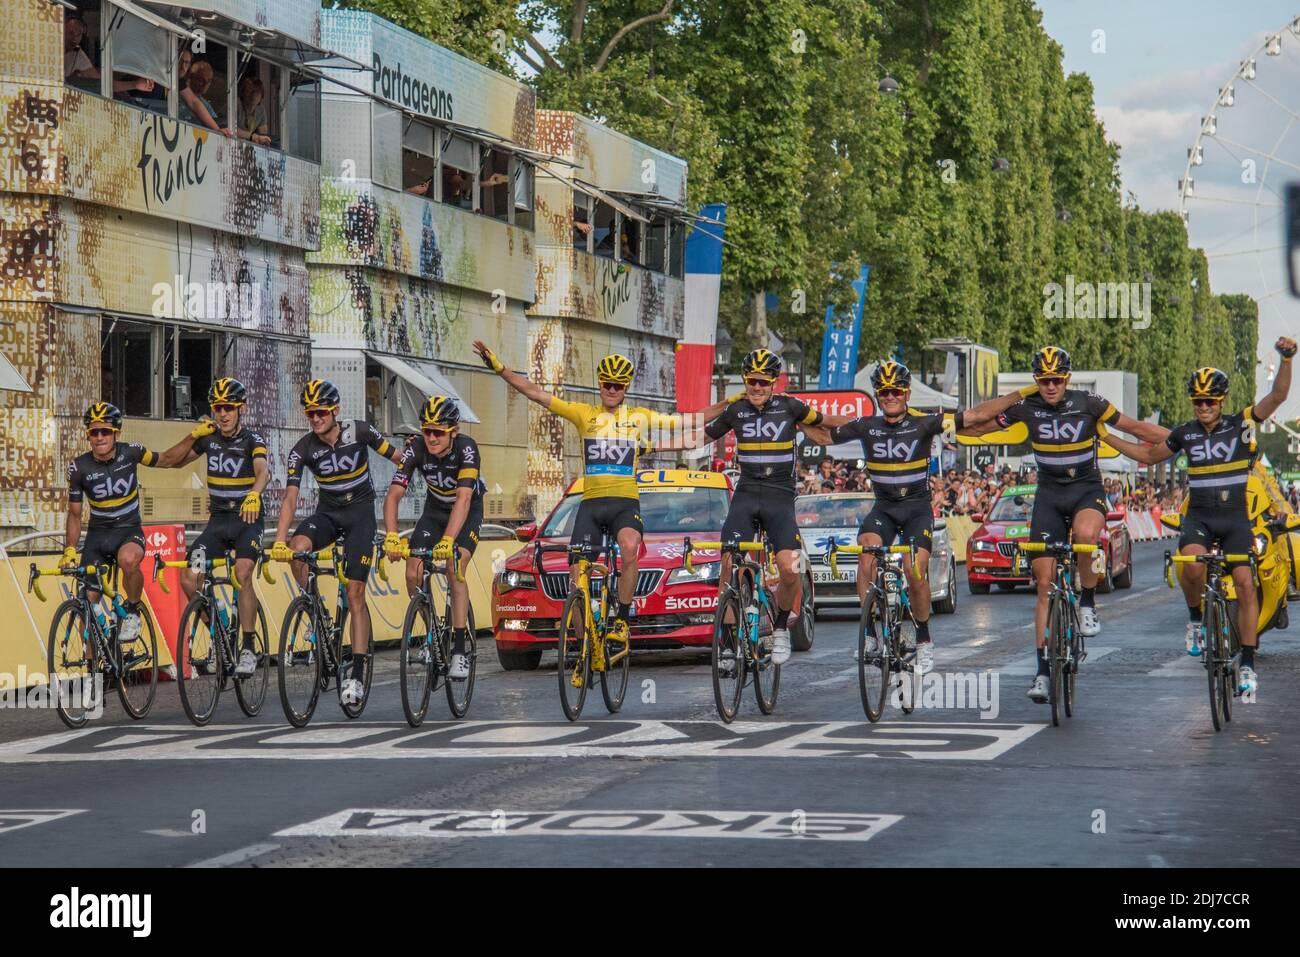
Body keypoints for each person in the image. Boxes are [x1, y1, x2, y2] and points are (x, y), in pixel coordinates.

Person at [473, 341, 733, 655]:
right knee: (575, 575)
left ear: (625, 388)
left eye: (618, 385)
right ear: (600, 385)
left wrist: (729, 401)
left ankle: (622, 620)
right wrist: (499, 368)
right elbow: (535, 393)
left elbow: (691, 419)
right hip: (592, 505)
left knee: (628, 548)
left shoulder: (638, 417)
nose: (611, 389)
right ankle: (584, 646)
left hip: (624, 504)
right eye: (607, 384)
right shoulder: (584, 414)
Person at [962, 346, 1167, 704]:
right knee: (1043, 585)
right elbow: (978, 424)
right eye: (1044, 381)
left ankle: (1087, 602)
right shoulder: (1027, 406)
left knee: (1087, 536)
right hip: (1049, 494)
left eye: (1057, 379)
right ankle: (1042, 672)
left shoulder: (1089, 402)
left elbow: (1136, 427)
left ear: (1067, 379)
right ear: (1036, 381)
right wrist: (1018, 394)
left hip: (1086, 488)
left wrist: (1185, 438)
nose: (1051, 386)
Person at [804, 360, 1031, 672]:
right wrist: (793, 417)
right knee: (866, 555)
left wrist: (1021, 394)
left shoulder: (925, 423)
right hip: (883, 509)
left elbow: (976, 416)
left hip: (916, 510)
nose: (890, 396)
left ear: (907, 393)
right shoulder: (867, 426)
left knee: (914, 571)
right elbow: (823, 437)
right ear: (878, 394)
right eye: (884, 392)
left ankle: (923, 638)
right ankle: (870, 632)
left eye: (896, 390)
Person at [1101, 338, 1296, 697]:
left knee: (1245, 584)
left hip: (1235, 518)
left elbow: (1278, 397)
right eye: (1198, 401)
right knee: (1190, 566)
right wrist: (1108, 439)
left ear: (1220, 402)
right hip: (1201, 517)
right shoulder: (1185, 433)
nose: (1203, 407)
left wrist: (1286, 359)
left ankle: (1249, 664)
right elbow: (1148, 458)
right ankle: (1195, 620)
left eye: (1209, 401)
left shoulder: (1241, 424)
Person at [270, 380, 404, 705]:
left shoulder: (359, 431)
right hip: (328, 513)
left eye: (320, 412)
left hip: (360, 515)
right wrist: (279, 539)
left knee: (355, 593)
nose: (315, 419)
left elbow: (400, 457)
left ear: (335, 411)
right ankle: (314, 610)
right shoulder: (303, 448)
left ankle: (356, 675)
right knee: (296, 551)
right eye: (310, 413)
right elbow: (290, 497)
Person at [701, 349, 828, 665]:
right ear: (745, 382)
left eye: (762, 382)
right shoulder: (736, 410)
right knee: (730, 565)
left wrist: (872, 423)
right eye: (751, 382)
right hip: (746, 495)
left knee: (789, 568)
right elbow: (698, 436)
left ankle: (782, 627)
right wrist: (650, 441)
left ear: (774, 383)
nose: (756, 388)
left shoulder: (790, 407)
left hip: (779, 498)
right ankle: (729, 643)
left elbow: (826, 424)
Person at [155, 378, 269, 677]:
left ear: (240, 408)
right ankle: (218, 632)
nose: (223, 414)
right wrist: (192, 436)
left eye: (229, 408)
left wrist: (255, 494)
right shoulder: (209, 439)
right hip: (218, 523)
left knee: (242, 573)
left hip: (247, 521)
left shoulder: (252, 439)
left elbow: (263, 471)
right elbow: (170, 461)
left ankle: (247, 647)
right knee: (189, 579)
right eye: (218, 408)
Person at [382, 396, 482, 680]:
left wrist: (449, 540)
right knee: (413, 572)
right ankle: (432, 636)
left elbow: (463, 499)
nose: (432, 437)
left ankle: (460, 650)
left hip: (467, 510)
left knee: (454, 567)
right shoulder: (416, 448)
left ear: (454, 431)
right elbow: (393, 495)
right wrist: (391, 534)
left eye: (439, 432)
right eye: (427, 431)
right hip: (435, 509)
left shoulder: (467, 448)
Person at [63, 403, 166, 644]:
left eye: (105, 431)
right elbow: (75, 514)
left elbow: (168, 459)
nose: (99, 437)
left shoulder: (131, 452)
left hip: (128, 530)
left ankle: (132, 610)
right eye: (94, 432)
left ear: (116, 433)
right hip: (98, 536)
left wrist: (194, 438)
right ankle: (92, 674)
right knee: (86, 605)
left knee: (128, 560)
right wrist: (69, 548)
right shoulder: (79, 467)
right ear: (88, 434)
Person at [64, 14, 154, 95]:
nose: (74, 39)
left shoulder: (78, 53)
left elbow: (101, 84)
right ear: (62, 30)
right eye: (71, 33)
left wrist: (135, 84)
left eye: (78, 34)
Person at [235, 76, 271, 145]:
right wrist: (253, 137)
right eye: (250, 91)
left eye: (257, 92)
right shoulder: (236, 104)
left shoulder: (261, 109)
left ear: (262, 96)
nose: (254, 95)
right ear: (243, 92)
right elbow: (230, 128)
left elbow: (263, 134)